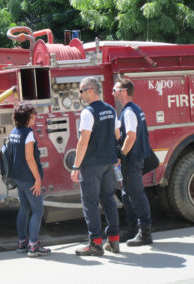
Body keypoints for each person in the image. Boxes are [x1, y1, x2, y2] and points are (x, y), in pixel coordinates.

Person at [71, 77, 121, 256]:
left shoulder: (88, 112)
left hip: (91, 165)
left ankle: (96, 243)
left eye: (81, 91)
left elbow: (83, 141)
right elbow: (117, 135)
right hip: (108, 164)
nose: (80, 94)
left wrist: (76, 167)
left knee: (90, 203)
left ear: (91, 90)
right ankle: (114, 241)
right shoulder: (110, 109)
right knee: (108, 200)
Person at [113, 78, 153, 246]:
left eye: (115, 90)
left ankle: (144, 233)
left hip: (131, 160)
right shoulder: (134, 109)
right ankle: (132, 230)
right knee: (127, 195)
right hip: (134, 159)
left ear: (123, 91)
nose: (113, 93)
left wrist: (121, 155)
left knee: (136, 195)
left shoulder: (129, 112)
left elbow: (131, 136)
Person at [10, 101, 51, 257]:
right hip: (29, 178)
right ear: (26, 116)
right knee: (38, 210)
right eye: (33, 114)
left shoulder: (14, 131)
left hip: (18, 177)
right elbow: (29, 158)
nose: (36, 116)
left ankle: (22, 243)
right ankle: (34, 246)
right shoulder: (28, 133)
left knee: (24, 209)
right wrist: (38, 179)